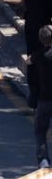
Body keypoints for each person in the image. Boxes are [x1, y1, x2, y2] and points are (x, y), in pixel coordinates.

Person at [34, 24, 52, 166]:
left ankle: (44, 161)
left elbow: (29, 60)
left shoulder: (39, 55)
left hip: (44, 99)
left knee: (40, 131)